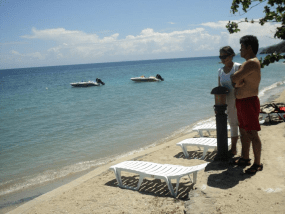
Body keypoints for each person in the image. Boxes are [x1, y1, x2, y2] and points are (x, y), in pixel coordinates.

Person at [231, 35, 263, 175]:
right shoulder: (249, 63)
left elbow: (234, 78)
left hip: (249, 101)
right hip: (243, 102)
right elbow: (237, 80)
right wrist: (238, 82)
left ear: (249, 48)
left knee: (252, 133)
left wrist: (237, 81)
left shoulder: (251, 63)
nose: (240, 50)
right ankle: (245, 157)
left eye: (242, 47)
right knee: (243, 131)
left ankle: (257, 163)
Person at [218, 46, 241, 157]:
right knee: (232, 125)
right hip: (227, 103)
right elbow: (219, 89)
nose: (223, 58)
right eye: (221, 56)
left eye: (225, 56)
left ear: (231, 55)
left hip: (239, 101)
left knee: (241, 125)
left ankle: (242, 151)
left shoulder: (237, 67)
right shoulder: (220, 71)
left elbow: (244, 84)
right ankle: (234, 149)